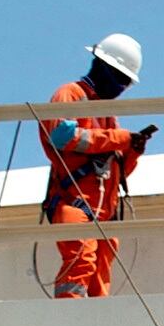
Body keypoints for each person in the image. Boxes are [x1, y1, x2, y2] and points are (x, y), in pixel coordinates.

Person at [39, 35, 152, 298]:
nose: (122, 87)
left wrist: (132, 151)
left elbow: (111, 172)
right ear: (102, 66)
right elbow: (61, 137)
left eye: (127, 83)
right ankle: (70, 319)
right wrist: (121, 138)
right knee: (81, 264)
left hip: (104, 213)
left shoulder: (106, 113)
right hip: (74, 204)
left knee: (100, 279)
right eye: (120, 79)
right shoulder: (71, 94)